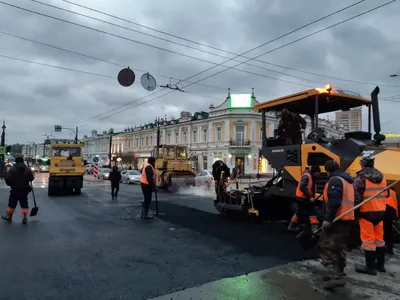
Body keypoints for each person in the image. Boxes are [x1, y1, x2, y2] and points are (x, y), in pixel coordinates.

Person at [317, 160, 355, 283]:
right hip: (347, 217)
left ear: (328, 170)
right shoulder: (348, 180)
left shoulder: (335, 180)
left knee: (328, 245)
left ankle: (336, 275)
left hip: (338, 218)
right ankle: (339, 272)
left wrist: (327, 219)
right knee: (340, 246)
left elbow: (334, 203)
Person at [353, 155, 387, 275]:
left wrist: (354, 210)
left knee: (368, 240)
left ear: (363, 164)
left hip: (366, 212)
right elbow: (386, 194)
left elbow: (356, 196)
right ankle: (380, 265)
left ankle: (370, 267)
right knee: (379, 239)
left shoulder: (361, 178)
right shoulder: (382, 177)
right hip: (381, 212)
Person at [1, 157, 34, 224]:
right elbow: (31, 178)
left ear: (16, 161)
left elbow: (8, 179)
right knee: (24, 204)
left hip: (15, 189)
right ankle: (24, 218)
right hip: (24, 189)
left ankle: (9, 217)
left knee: (12, 204)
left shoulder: (12, 169)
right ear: (22, 161)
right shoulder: (26, 169)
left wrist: (9, 183)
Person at [288, 166, 320, 232]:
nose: (319, 174)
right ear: (315, 172)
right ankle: (314, 229)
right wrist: (310, 197)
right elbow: (302, 187)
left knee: (299, 212)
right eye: (318, 173)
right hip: (303, 198)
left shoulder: (311, 176)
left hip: (303, 197)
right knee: (312, 212)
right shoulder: (307, 176)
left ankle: (291, 226)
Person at [384, 187, 398, 255]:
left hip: (384, 210)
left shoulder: (383, 190)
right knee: (389, 230)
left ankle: (383, 247)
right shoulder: (393, 192)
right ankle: (389, 248)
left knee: (383, 230)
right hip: (392, 212)